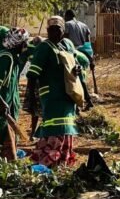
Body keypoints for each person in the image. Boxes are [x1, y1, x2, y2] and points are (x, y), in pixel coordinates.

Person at [26, 16, 80, 167]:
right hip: (52, 96)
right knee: (54, 127)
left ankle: (63, 161)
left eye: (58, 30)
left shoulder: (65, 47)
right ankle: (47, 161)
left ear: (63, 32)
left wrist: (77, 69)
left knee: (67, 127)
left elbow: (73, 67)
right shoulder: (44, 47)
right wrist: (31, 101)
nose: (55, 33)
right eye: (51, 30)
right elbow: (32, 75)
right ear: (48, 31)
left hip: (67, 96)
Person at [0, 28, 30, 160]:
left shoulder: (14, 59)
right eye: (25, 42)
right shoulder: (6, 58)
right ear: (18, 43)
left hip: (8, 111)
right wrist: (1, 102)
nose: (26, 46)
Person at [64, 9, 96, 91]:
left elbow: (65, 40)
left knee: (75, 76)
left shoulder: (67, 25)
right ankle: (85, 93)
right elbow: (88, 43)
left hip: (74, 53)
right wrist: (91, 59)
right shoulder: (84, 25)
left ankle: (81, 94)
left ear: (67, 16)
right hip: (85, 54)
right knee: (83, 74)